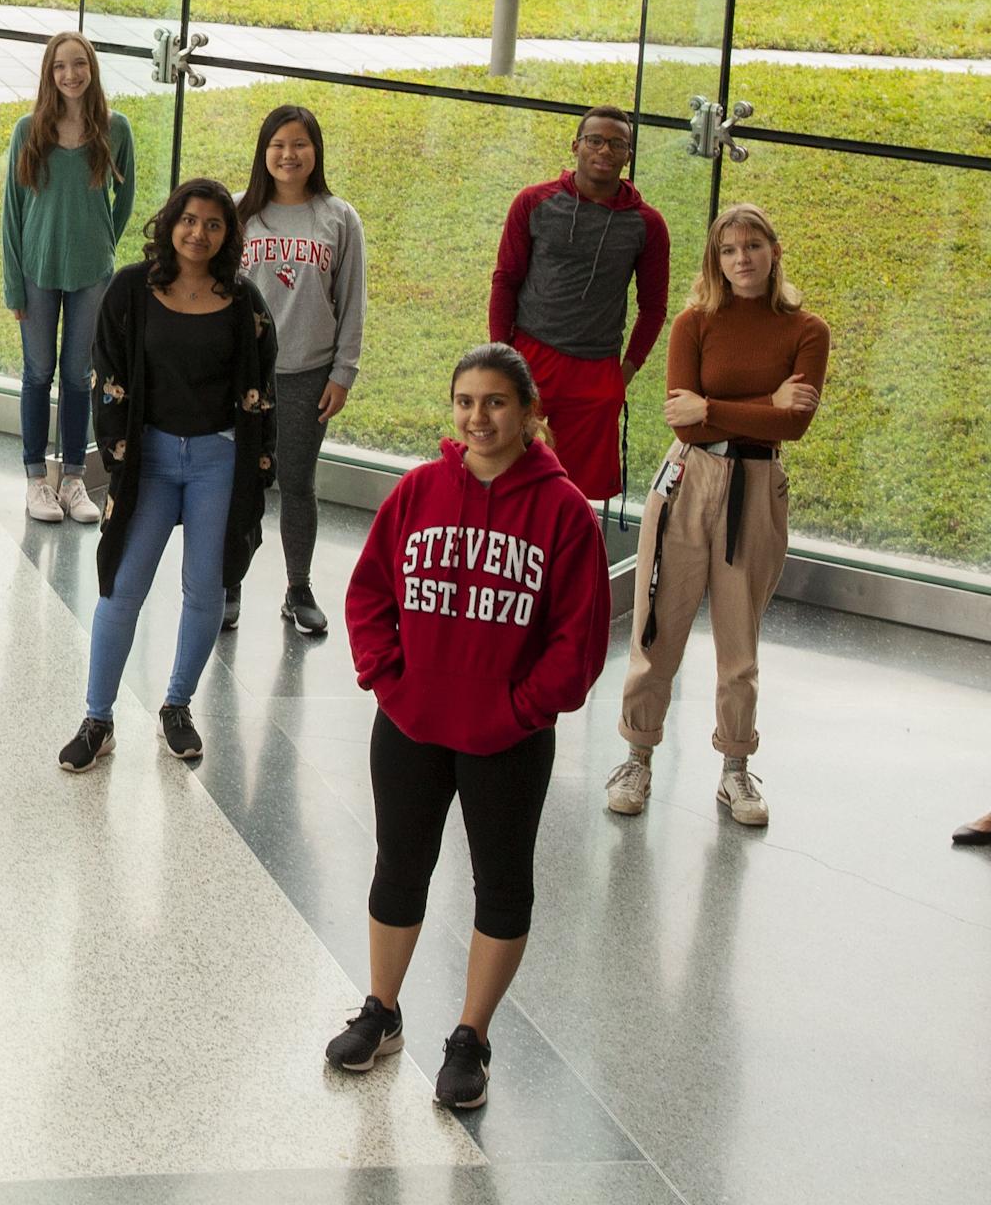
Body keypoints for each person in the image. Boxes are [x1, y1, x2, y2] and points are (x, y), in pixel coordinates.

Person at [327, 343, 611, 1112]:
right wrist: (390, 678)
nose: (477, 417)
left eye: (495, 402)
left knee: (502, 886)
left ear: (529, 413)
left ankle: (470, 1038)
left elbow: (578, 640)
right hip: (411, 725)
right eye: (465, 401)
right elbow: (369, 593)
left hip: (509, 739)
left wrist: (519, 710)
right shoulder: (418, 491)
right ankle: (382, 1011)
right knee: (398, 868)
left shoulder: (564, 512)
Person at [607, 204, 827, 830]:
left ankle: (735, 768)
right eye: (729, 250)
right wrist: (763, 403)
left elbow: (794, 424)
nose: (741, 259)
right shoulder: (694, 322)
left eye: (752, 246)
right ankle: (636, 758)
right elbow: (682, 422)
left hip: (756, 488)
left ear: (774, 251)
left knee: (739, 644)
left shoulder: (807, 330)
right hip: (687, 482)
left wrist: (714, 407)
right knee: (656, 630)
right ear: (716, 260)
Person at [59, 179, 275, 774]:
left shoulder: (245, 301)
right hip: (148, 461)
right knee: (122, 588)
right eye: (189, 220)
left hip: (217, 461)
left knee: (206, 589)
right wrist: (119, 454)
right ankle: (97, 720)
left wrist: (258, 465)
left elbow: (262, 389)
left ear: (228, 235)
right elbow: (106, 373)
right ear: (171, 222)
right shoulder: (131, 289)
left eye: (213, 224)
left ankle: (177, 706)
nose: (198, 233)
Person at [488, 106, 669, 503]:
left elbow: (654, 307)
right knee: (503, 468)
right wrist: (502, 356)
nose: (604, 150)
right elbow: (506, 280)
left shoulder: (647, 225)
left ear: (628, 155)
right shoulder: (534, 202)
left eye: (617, 144)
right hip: (529, 356)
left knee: (575, 493)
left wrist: (622, 375)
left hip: (596, 370)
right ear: (576, 146)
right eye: (595, 140)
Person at [239, 103, 367, 639]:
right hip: (241, 375)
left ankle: (298, 587)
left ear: (316, 152)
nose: (288, 155)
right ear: (263, 152)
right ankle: (227, 583)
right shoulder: (240, 212)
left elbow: (352, 301)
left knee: (296, 483)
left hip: (307, 375)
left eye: (299, 144)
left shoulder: (339, 217)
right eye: (278, 144)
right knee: (236, 483)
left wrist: (343, 372)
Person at [0, 31, 137, 527]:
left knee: (79, 376)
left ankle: (73, 477)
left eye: (79, 64)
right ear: (49, 73)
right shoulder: (29, 130)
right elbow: (12, 212)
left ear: (92, 70)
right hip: (37, 270)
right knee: (38, 372)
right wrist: (14, 283)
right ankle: (37, 477)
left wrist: (101, 244)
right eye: (60, 66)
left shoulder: (115, 130)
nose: (70, 74)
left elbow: (124, 201)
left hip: (90, 274)